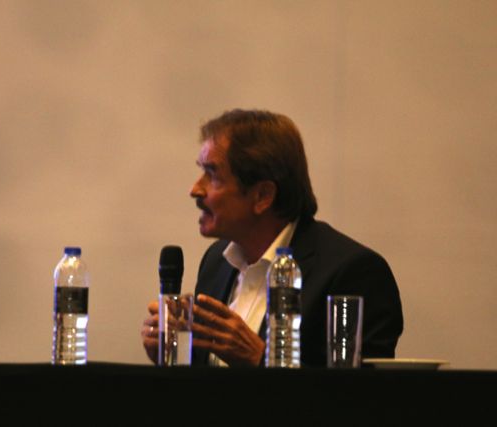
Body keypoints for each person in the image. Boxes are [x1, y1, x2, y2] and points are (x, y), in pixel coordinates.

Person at [141, 109, 403, 367]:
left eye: (213, 175)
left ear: (262, 196)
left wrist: (261, 361)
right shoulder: (216, 262)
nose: (195, 189)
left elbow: (362, 392)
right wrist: (174, 358)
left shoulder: (354, 273)